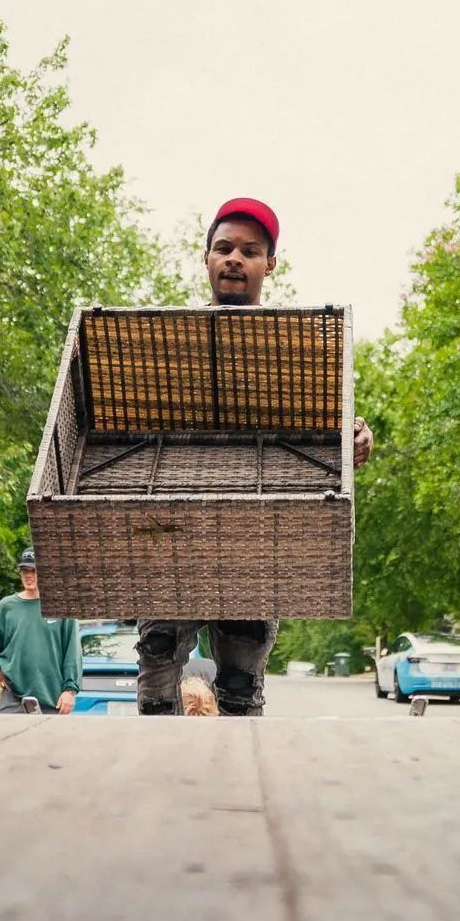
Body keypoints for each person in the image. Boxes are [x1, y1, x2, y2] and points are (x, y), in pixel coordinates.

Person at [136, 196, 373, 718]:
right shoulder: (164, 340)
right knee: (157, 671)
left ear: (271, 264)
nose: (234, 259)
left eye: (250, 250)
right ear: (206, 258)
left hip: (255, 536)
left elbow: (328, 419)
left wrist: (355, 433)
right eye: (224, 248)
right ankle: (156, 767)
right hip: (172, 529)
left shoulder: (300, 345)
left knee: (241, 689)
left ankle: (241, 770)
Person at [0, 547, 80, 715]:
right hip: (13, 698)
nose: (29, 575)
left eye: (34, 570)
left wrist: (70, 690)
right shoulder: (6, 607)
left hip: (53, 700)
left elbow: (72, 653)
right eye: (25, 570)